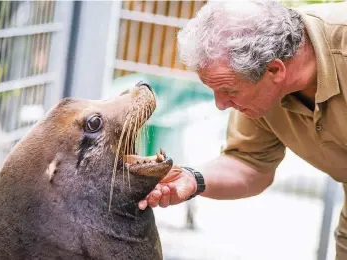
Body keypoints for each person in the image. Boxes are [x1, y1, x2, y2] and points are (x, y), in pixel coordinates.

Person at [138, 0, 347, 258]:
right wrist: (191, 179)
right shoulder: (259, 84)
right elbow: (250, 164)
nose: (220, 104)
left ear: (274, 69)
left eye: (229, 91)